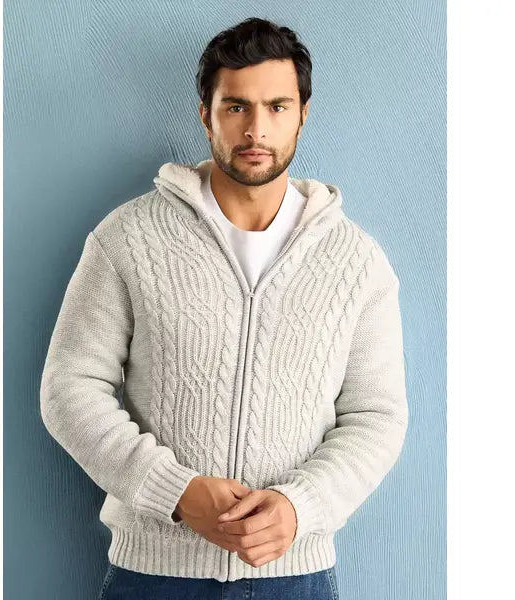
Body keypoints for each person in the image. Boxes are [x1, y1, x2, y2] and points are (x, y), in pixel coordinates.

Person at [39, 16, 408, 600]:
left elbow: (377, 416)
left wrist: (299, 505)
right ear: (206, 114)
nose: (256, 129)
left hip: (297, 578)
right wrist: (176, 492)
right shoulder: (127, 238)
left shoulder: (357, 262)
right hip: (154, 576)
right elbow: (69, 389)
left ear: (303, 114)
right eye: (236, 107)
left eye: (277, 107)